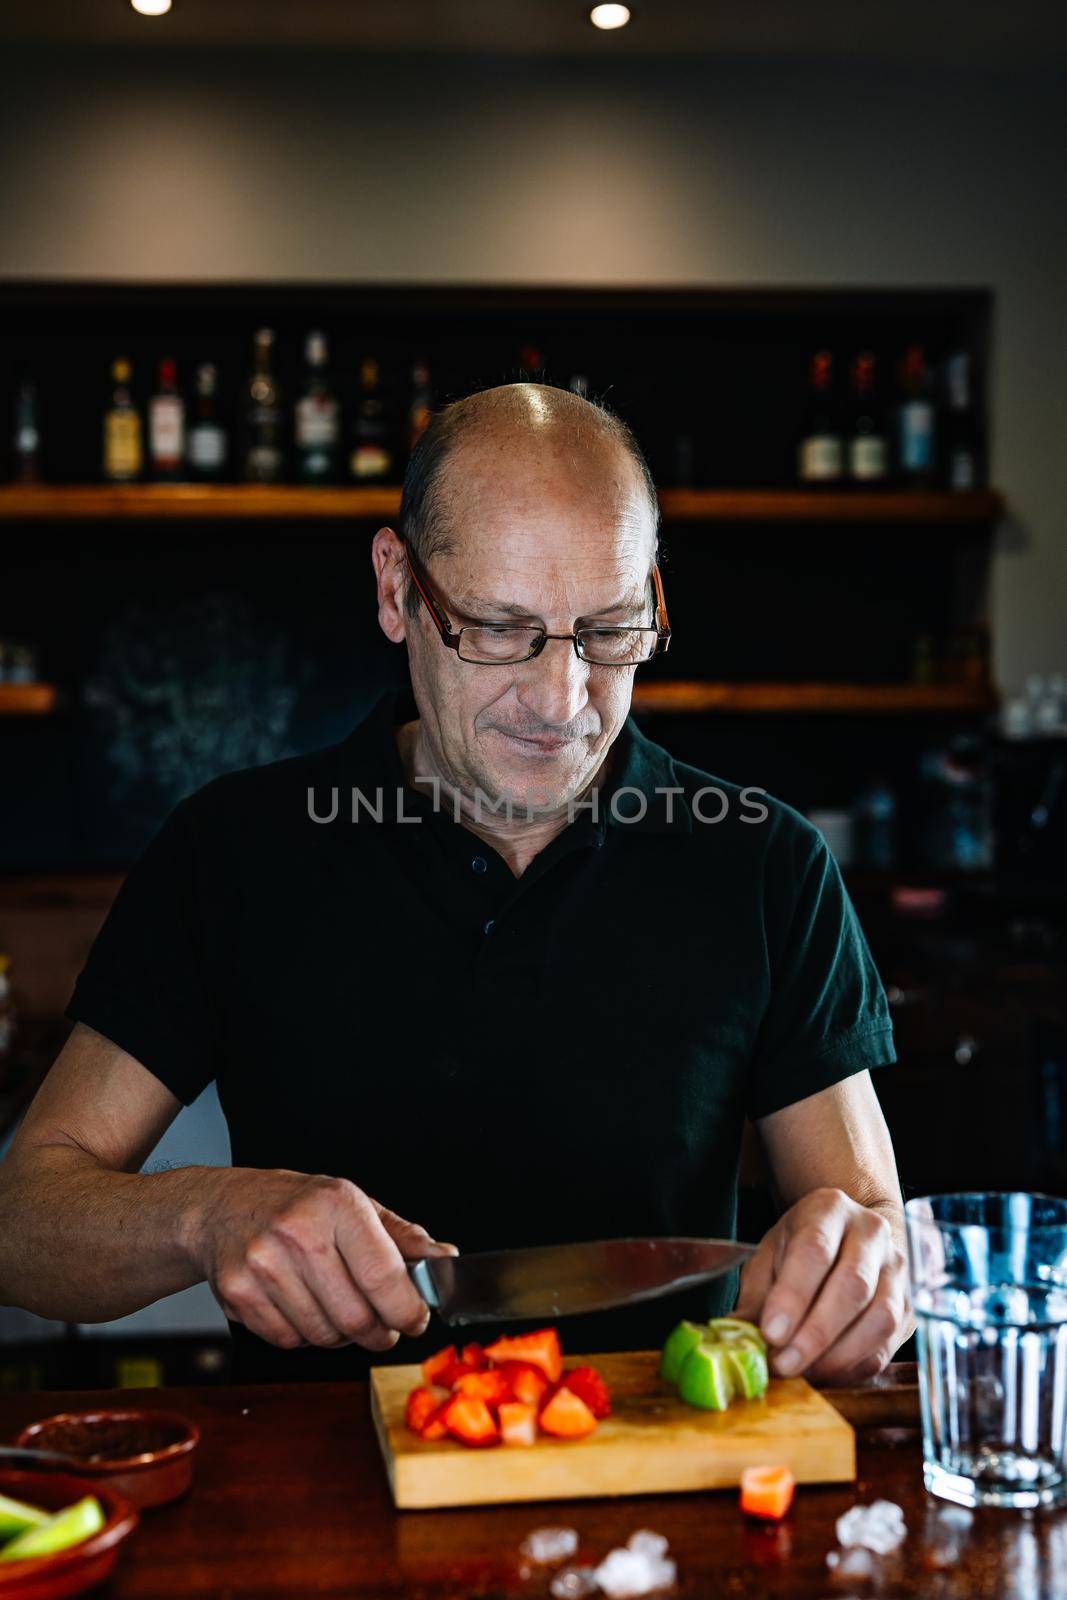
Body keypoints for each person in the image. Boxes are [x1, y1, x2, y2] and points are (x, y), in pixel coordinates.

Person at [0, 383, 911, 1384]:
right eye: (497, 629)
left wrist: (866, 1267)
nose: (559, 700)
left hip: (660, 1495)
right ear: (395, 588)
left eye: (608, 631)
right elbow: (23, 1221)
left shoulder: (765, 862)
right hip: (321, 1509)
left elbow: (867, 1224)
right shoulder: (230, 850)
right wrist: (206, 1215)